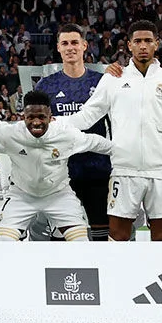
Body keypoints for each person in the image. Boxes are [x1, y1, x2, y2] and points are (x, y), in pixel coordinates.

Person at [72, 20, 162, 241]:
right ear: (128, 45)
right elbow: (87, 115)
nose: (143, 46)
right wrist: (55, 125)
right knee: (118, 235)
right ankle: (121, 277)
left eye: (148, 40)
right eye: (137, 41)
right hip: (124, 169)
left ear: (156, 44)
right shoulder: (114, 78)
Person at [0, 90, 111, 241]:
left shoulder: (66, 135)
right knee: (3, 243)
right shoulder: (10, 134)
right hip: (21, 196)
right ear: (23, 117)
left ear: (50, 117)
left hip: (59, 195)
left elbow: (97, 143)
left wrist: (128, 152)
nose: (36, 122)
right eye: (30, 117)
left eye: (41, 117)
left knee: (80, 242)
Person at [34, 22, 111, 241]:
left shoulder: (102, 82)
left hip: (98, 169)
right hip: (61, 172)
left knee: (101, 234)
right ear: (58, 47)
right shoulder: (45, 86)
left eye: (75, 42)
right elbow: (37, 128)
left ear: (84, 45)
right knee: (62, 235)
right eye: (65, 43)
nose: (70, 47)